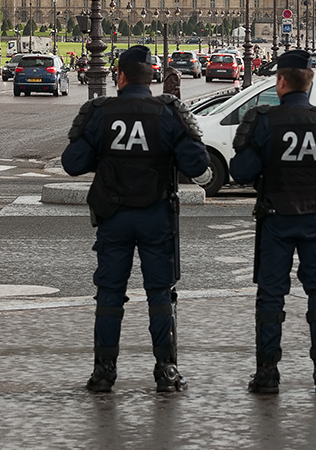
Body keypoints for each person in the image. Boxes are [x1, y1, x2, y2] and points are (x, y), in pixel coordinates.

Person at [61, 45, 210, 394]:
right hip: (156, 214)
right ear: (153, 77)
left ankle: (104, 371)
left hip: (113, 215)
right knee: (159, 293)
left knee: (109, 294)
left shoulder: (100, 111)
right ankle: (166, 369)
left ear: (121, 76)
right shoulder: (169, 111)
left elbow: (71, 163)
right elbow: (198, 166)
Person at [229, 49, 316, 394]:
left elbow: (240, 173)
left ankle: (267, 372)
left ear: (281, 82)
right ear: (310, 82)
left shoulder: (265, 120)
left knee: (271, 297)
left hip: (276, 219)